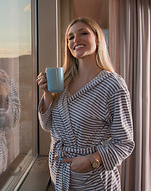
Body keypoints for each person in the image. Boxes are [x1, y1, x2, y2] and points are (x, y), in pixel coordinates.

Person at [36, 17, 135, 190]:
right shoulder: (63, 81)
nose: (76, 40)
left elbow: (124, 142)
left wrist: (91, 161)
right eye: (71, 37)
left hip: (94, 181)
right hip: (60, 178)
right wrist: (47, 94)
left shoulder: (112, 85)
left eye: (83, 33)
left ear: (97, 39)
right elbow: (48, 126)